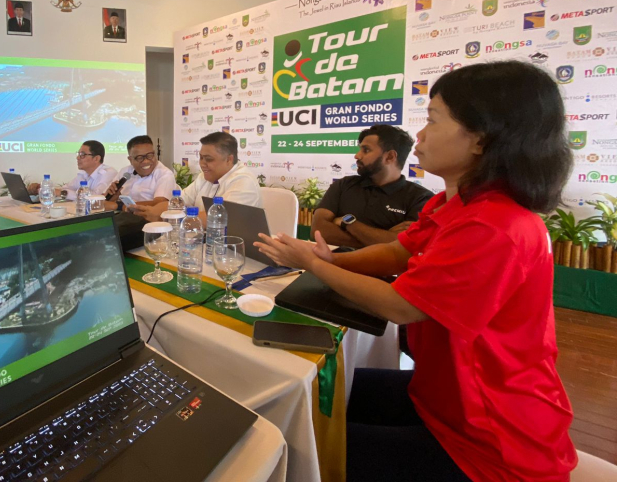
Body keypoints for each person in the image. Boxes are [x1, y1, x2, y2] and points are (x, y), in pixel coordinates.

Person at [254, 61, 577, 481]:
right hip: (443, 396)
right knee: (314, 396)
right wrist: (332, 260)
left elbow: (401, 305)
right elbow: (397, 253)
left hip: (489, 437)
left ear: (481, 138)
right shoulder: (455, 203)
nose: (419, 136)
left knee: (304, 447)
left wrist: (313, 263)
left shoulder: (497, 225)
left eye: (432, 120)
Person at [312, 125, 433, 249]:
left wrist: (347, 223)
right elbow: (318, 229)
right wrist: (384, 240)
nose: (357, 156)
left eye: (366, 150)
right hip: (330, 264)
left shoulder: (421, 198)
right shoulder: (343, 185)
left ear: (390, 156)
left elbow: (409, 246)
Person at [134, 131, 262, 224]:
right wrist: (152, 211)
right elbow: (177, 203)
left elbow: (217, 219)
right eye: (201, 157)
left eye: (208, 159)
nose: (202, 164)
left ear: (229, 159)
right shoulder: (204, 177)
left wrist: (164, 216)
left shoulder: (244, 181)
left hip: (236, 251)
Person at [105, 135, 176, 210]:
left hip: (146, 218)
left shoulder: (164, 174)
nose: (146, 161)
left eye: (149, 155)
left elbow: (160, 203)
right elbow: (108, 201)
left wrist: (123, 206)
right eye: (139, 158)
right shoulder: (125, 171)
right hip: (123, 215)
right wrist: (113, 197)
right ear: (130, 160)